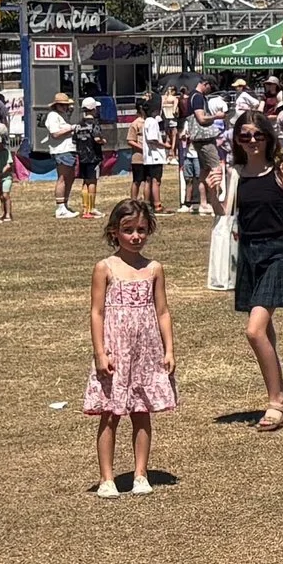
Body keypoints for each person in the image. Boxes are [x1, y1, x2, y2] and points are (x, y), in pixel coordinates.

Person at [86, 198, 176, 496]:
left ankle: (140, 474)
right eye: (128, 230)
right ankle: (107, 478)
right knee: (110, 413)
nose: (136, 236)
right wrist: (100, 352)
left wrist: (169, 349)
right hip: (115, 351)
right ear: (115, 232)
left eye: (141, 230)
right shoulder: (105, 268)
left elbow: (162, 311)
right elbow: (96, 312)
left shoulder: (154, 268)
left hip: (146, 351)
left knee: (141, 411)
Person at [228, 110, 283, 431]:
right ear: (237, 139)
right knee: (266, 331)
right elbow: (224, 214)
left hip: (277, 253)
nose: (251, 141)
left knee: (254, 330)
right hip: (248, 255)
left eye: (257, 135)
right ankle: (280, 397)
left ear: (268, 137)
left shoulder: (282, 172)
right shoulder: (235, 173)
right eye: (245, 136)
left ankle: (276, 402)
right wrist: (213, 190)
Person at [43, 91, 79, 219]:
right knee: (63, 178)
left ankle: (65, 203)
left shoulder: (63, 115)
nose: (65, 107)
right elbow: (55, 133)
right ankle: (60, 207)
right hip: (61, 150)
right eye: (62, 105)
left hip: (69, 148)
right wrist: (71, 128)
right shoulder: (53, 116)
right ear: (56, 105)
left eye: (66, 105)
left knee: (70, 177)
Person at [70, 96, 105, 218]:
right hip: (93, 157)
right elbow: (96, 138)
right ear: (93, 109)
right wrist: (102, 141)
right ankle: (91, 208)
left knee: (85, 182)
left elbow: (74, 141)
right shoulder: (94, 124)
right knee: (92, 182)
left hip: (82, 156)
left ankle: (85, 209)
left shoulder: (78, 125)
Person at [130, 102, 168, 214]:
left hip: (148, 156)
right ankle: (157, 205)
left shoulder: (147, 122)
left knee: (149, 180)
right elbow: (152, 139)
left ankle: (148, 202)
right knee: (155, 181)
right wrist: (165, 145)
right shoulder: (150, 121)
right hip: (152, 155)